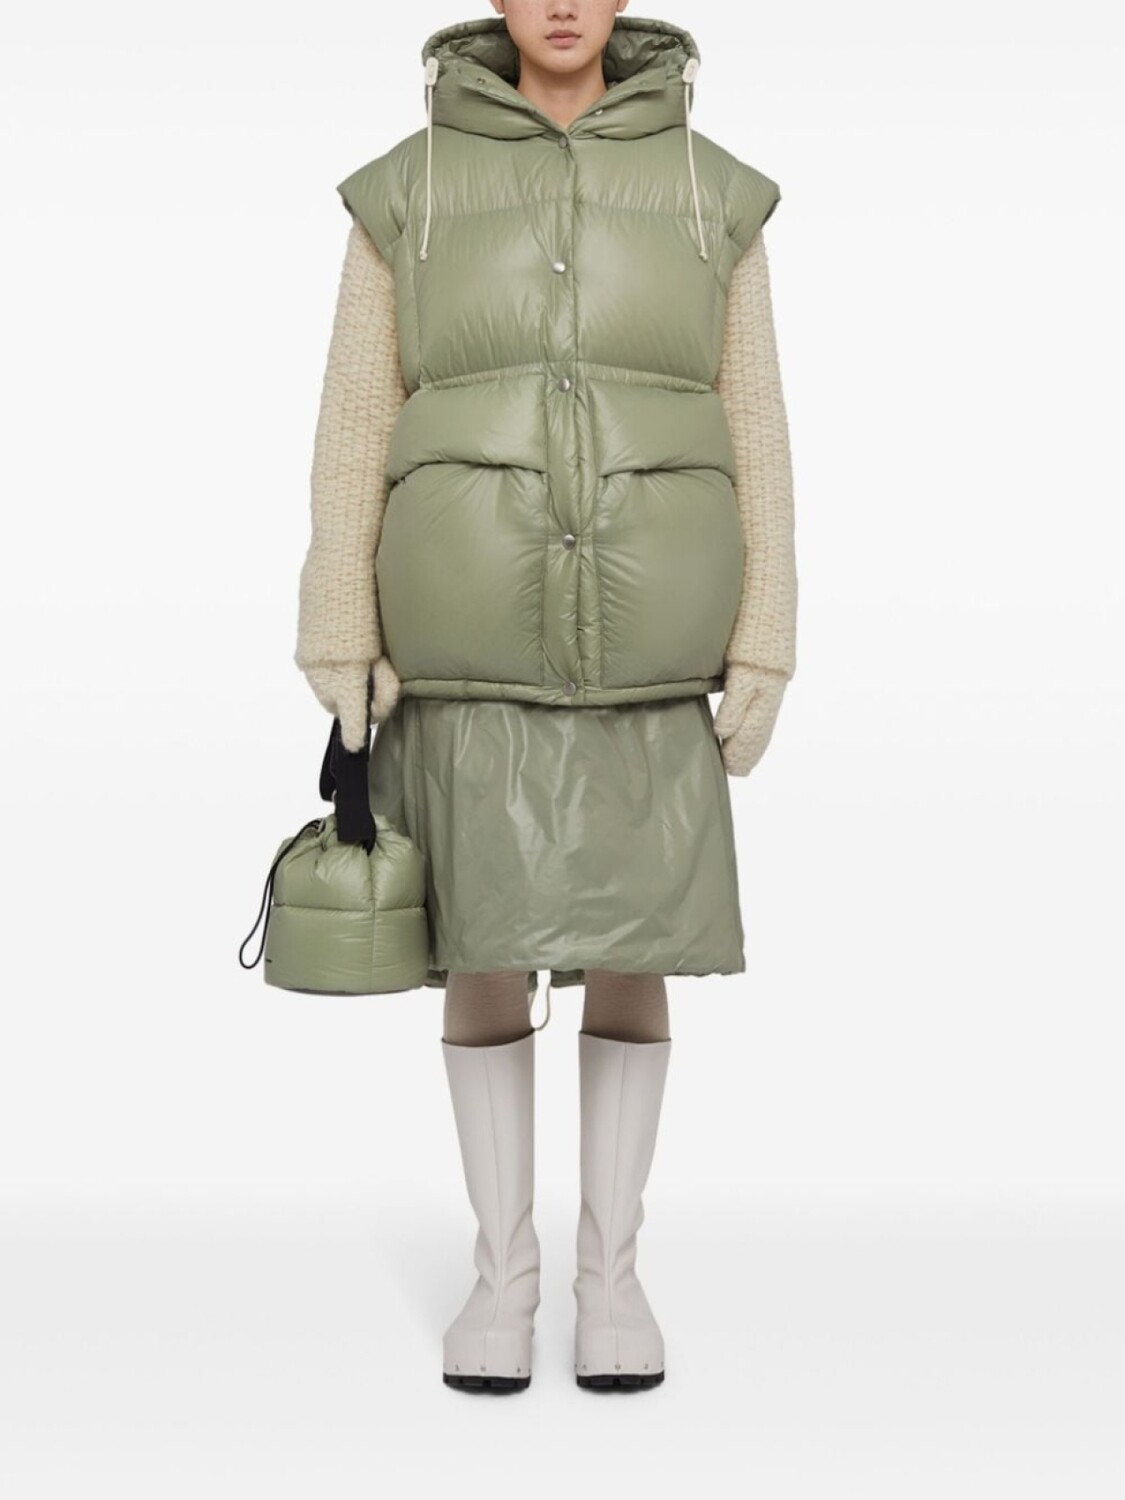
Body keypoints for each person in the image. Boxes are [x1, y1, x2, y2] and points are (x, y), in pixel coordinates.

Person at [294, 1, 797, 1393]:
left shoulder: (706, 186)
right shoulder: (410, 186)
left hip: (649, 650)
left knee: (637, 949)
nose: (562, 3)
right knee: (483, 948)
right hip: (464, 638)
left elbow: (755, 423)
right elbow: (354, 419)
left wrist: (764, 637)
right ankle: (502, 1277)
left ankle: (611, 1277)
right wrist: (337, 617)